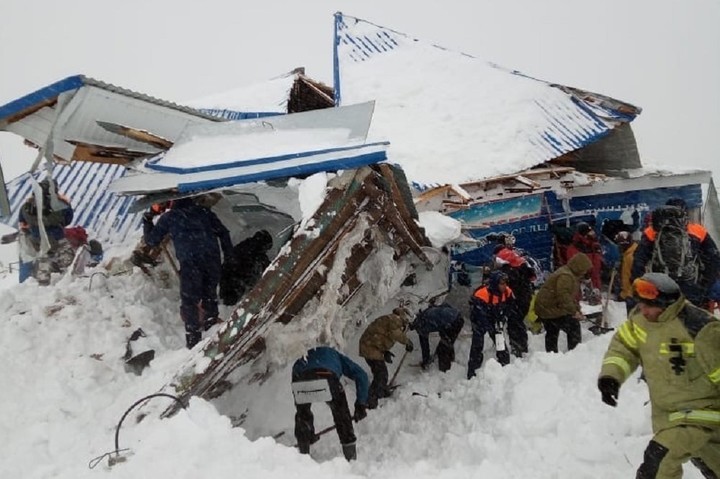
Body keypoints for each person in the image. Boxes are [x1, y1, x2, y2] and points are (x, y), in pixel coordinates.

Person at [597, 273, 720, 478]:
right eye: (641, 304)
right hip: (668, 417)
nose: (642, 310)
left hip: (701, 415)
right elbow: (623, 347)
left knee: (658, 462)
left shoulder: (700, 327)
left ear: (666, 304)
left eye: (648, 306)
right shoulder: (640, 320)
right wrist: (611, 377)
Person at [143, 197, 233, 349]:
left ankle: (194, 342)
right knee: (209, 296)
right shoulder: (204, 212)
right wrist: (229, 256)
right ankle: (213, 331)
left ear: (170, 202)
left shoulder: (170, 217)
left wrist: (148, 218)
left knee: (190, 303)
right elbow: (223, 232)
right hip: (212, 261)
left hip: (191, 264)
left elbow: (151, 241)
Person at [631, 198, 720, 307]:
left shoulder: (652, 232)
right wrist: (704, 284)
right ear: (685, 213)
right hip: (691, 285)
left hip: (662, 285)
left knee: (666, 318)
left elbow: (638, 260)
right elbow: (714, 257)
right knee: (690, 318)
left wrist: (640, 284)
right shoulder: (698, 230)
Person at [291, 346, 369, 461]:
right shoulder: (335, 355)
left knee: (302, 414)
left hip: (300, 377)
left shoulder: (304, 356)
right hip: (327, 376)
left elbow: (296, 382)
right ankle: (351, 458)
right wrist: (361, 404)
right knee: (342, 415)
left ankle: (303, 451)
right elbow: (361, 375)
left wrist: (308, 432)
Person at [17, 177, 74, 285]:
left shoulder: (26, 205)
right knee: (67, 259)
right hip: (56, 237)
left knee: (44, 258)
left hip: (35, 239)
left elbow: (22, 223)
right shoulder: (60, 203)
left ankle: (42, 280)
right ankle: (66, 282)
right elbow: (68, 220)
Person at [534, 253, 592, 353]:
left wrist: (576, 309)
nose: (585, 272)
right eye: (584, 269)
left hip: (546, 306)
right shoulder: (566, 276)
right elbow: (563, 296)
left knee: (552, 331)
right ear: (579, 267)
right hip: (550, 308)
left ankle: (551, 355)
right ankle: (575, 352)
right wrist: (574, 312)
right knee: (573, 326)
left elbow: (569, 297)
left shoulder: (568, 273)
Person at [358, 307, 414, 409]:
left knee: (380, 372)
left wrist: (385, 352)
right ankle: (370, 399)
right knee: (381, 374)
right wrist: (407, 342)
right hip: (369, 347)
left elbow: (381, 336)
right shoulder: (394, 319)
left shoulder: (390, 320)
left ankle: (380, 391)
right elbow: (396, 334)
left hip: (371, 346)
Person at [467, 270, 518, 378]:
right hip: (479, 319)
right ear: (495, 283)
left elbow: (511, 305)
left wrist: (504, 317)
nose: (504, 286)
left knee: (500, 342)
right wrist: (489, 326)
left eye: (505, 283)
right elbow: (479, 314)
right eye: (501, 284)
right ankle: (472, 372)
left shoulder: (507, 292)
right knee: (477, 344)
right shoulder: (481, 294)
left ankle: (505, 366)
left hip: (495, 316)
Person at [492, 237, 535, 356]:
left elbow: (504, 288)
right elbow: (531, 277)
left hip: (516, 300)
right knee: (518, 322)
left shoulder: (506, 271)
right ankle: (522, 347)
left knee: (514, 324)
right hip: (525, 297)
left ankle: (518, 349)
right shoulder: (520, 263)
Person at [219, 229, 273, 305]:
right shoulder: (254, 254)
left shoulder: (243, 249)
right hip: (234, 286)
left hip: (232, 285)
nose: (266, 251)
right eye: (267, 248)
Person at [408, 301, 464, 372]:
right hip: (457, 316)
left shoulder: (421, 326)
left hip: (453, 324)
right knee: (446, 341)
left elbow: (425, 346)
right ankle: (451, 358)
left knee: (444, 347)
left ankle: (445, 370)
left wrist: (425, 361)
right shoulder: (426, 311)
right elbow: (445, 305)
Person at [566, 222, 603, 290]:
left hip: (594, 275)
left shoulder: (593, 244)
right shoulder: (576, 247)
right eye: (589, 232)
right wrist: (586, 275)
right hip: (584, 279)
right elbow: (574, 267)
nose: (592, 233)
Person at [614, 231, 638, 312]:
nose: (618, 247)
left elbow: (633, 276)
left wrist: (628, 294)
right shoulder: (627, 254)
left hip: (630, 295)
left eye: (620, 245)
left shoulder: (631, 257)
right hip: (626, 292)